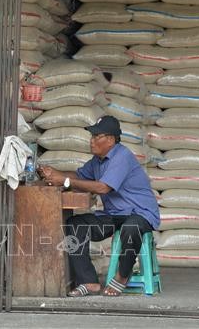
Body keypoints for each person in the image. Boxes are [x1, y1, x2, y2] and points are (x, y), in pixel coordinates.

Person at [38, 115, 160, 297]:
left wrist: (64, 180)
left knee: (131, 227)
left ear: (110, 140)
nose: (92, 141)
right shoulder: (98, 161)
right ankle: (89, 281)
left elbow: (103, 187)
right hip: (114, 214)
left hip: (140, 213)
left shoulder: (122, 156)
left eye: (97, 136)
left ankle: (122, 276)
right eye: (92, 136)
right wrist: (54, 173)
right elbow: (79, 176)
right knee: (75, 224)